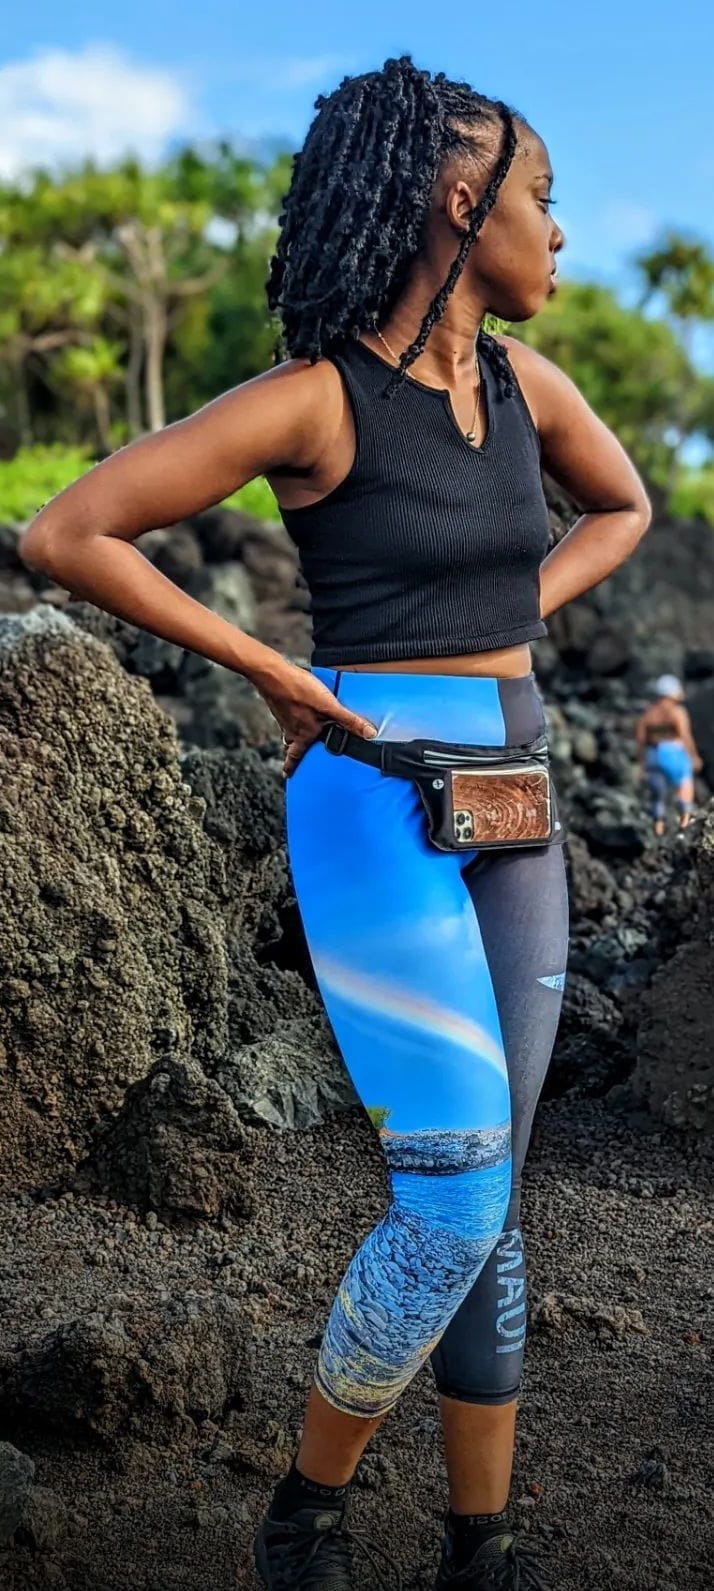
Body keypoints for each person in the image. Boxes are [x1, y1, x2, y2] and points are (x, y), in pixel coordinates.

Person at [19, 56, 652, 1591]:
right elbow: (67, 528)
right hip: (377, 808)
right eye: (542, 202)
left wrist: (509, 612)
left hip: (523, 805)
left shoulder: (529, 391)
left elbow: (620, 508)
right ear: (459, 202)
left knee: (495, 1211)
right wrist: (271, 667)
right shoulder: (314, 401)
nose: (559, 236)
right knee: (450, 1202)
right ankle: (307, 1505)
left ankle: (476, 1544)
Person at [635, 674, 702, 837]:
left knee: (658, 796)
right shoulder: (677, 711)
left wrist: (642, 763)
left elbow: (641, 740)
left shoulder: (648, 714)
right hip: (673, 753)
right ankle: (684, 823)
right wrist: (693, 756)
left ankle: (658, 828)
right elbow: (685, 735)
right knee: (685, 784)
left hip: (653, 754)